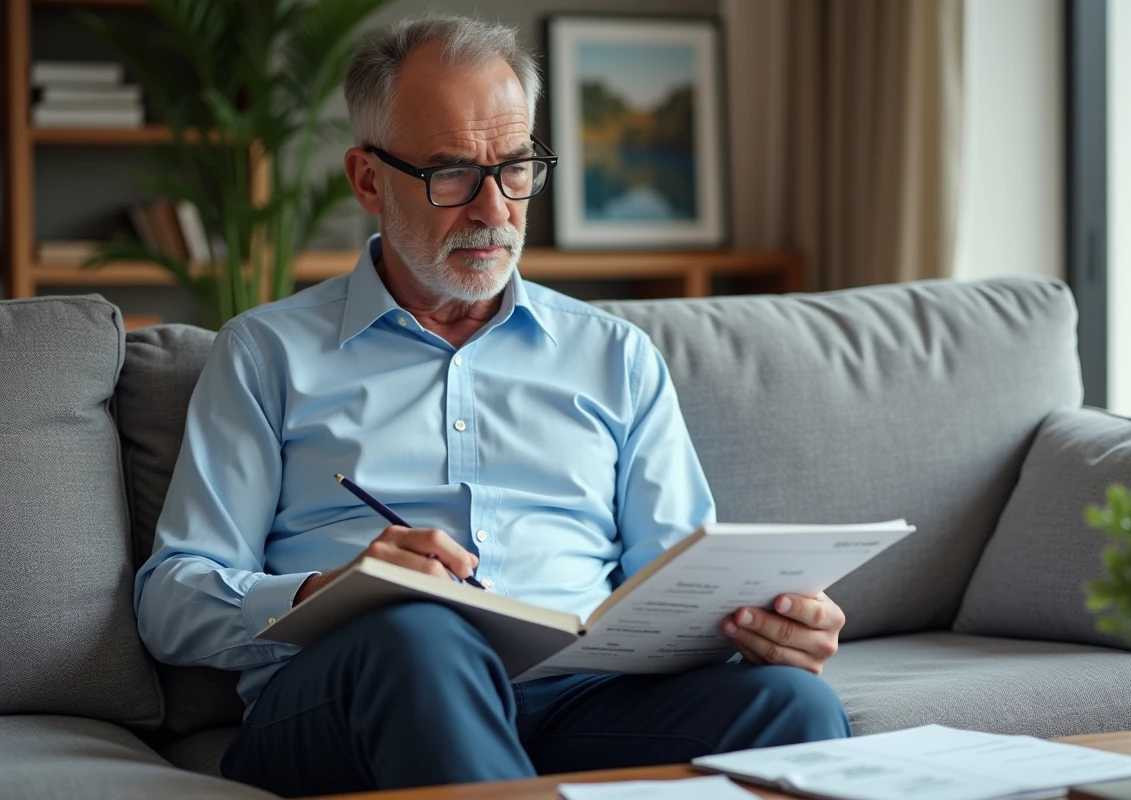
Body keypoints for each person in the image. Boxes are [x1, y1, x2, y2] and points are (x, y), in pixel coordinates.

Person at [134, 13, 851, 797]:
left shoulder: (615, 357)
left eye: (515, 169)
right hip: (353, 695)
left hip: (582, 701)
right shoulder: (265, 354)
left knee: (793, 705)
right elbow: (170, 602)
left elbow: (676, 587)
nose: (493, 210)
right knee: (419, 634)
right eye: (451, 174)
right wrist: (327, 592)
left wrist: (763, 626)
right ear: (368, 179)